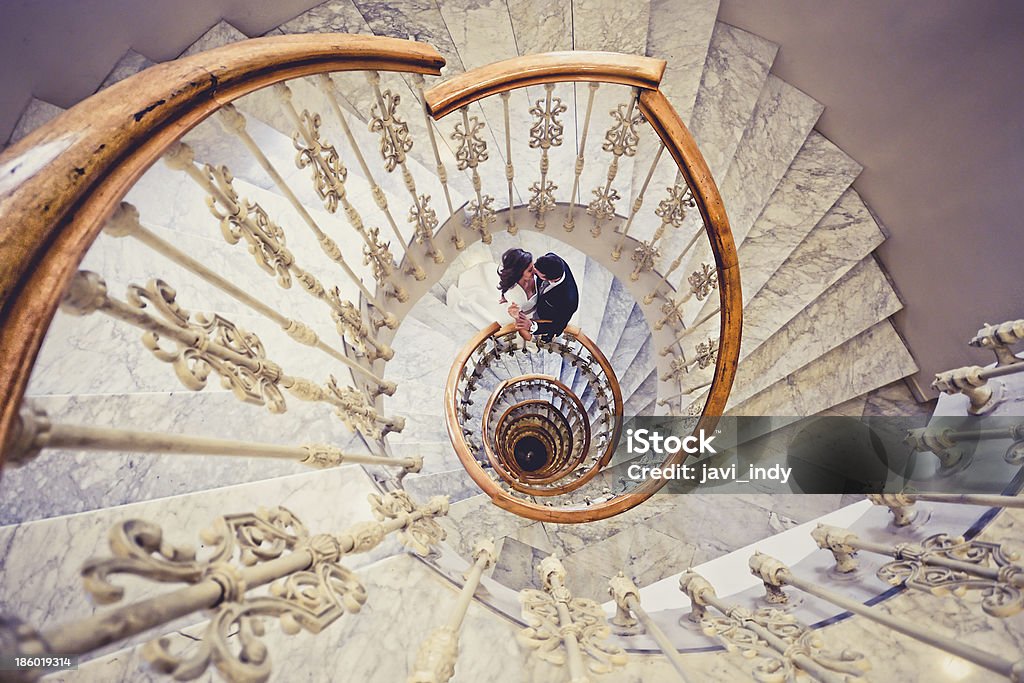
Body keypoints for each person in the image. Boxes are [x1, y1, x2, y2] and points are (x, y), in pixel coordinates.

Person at [514, 252, 578, 342]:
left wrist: (532, 326)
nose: (533, 272)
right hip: (539, 303)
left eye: (536, 272)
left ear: (547, 279)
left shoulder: (569, 301)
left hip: (548, 316)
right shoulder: (551, 258)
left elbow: (559, 326)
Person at [497, 248, 538, 318]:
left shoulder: (537, 277)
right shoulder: (513, 294)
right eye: (530, 270)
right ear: (519, 273)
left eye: (533, 266)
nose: (535, 270)